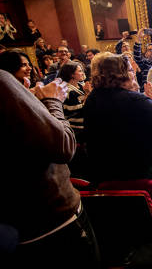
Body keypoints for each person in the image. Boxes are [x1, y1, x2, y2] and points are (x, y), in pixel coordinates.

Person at [0, 70, 100, 268]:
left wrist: (30, 102)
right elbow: (62, 145)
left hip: (18, 222)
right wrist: (52, 102)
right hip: (52, 221)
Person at [83, 52, 152, 184]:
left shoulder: (92, 98)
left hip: (107, 173)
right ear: (120, 74)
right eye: (130, 70)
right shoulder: (134, 99)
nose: (134, 73)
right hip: (141, 172)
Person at [57, 61, 91, 142]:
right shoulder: (68, 91)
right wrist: (87, 94)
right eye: (80, 71)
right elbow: (79, 111)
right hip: (77, 128)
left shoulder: (79, 86)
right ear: (71, 74)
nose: (83, 73)